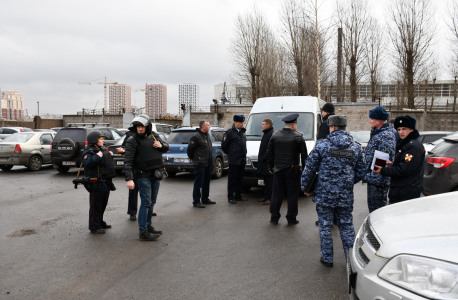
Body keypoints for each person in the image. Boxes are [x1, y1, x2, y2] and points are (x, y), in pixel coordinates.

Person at [301, 115, 365, 267]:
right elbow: (362, 172)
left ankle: (327, 258)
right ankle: (351, 262)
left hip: (324, 195)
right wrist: (348, 182)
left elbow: (309, 168)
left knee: (324, 225)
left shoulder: (322, 145)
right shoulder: (355, 147)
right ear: (344, 127)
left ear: (332, 127)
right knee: (346, 225)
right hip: (345, 196)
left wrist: (306, 188)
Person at [124, 114, 168, 241]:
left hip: (156, 174)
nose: (140, 129)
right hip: (142, 176)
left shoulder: (154, 135)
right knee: (146, 203)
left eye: (142, 126)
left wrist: (161, 146)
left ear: (147, 126)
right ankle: (142, 231)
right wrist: (130, 179)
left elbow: (165, 146)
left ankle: (148, 226)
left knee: (152, 202)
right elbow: (128, 161)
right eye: (138, 127)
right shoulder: (132, 140)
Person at [266, 114, 307, 225]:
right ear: (294, 125)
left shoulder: (275, 136)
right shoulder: (298, 137)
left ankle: (274, 217)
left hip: (278, 169)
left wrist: (271, 167)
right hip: (293, 170)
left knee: (276, 194)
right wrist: (305, 172)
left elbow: (269, 154)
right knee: (292, 194)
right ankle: (291, 218)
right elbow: (304, 157)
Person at [374, 115, 425, 204]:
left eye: (404, 129)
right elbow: (406, 165)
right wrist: (393, 165)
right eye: (399, 129)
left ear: (411, 129)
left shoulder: (412, 147)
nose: (401, 132)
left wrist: (383, 170)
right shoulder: (406, 143)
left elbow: (404, 170)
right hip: (401, 189)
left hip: (406, 191)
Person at [82, 130, 116, 234]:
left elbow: (104, 163)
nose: (102, 141)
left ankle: (99, 222)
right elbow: (88, 163)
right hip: (96, 182)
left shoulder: (101, 149)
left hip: (105, 181)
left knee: (103, 203)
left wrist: (109, 155)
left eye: (102, 139)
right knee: (95, 205)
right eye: (100, 139)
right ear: (94, 141)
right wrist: (99, 156)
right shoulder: (88, 151)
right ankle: (94, 225)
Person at [363, 106, 396, 213]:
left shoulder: (385, 136)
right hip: (374, 181)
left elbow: (382, 160)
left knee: (378, 213)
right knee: (374, 211)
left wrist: (372, 178)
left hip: (378, 183)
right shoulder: (379, 134)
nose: (369, 121)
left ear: (378, 121)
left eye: (371, 119)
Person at [187, 120, 216, 208]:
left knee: (206, 182)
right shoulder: (196, 136)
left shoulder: (207, 135)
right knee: (198, 183)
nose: (209, 126)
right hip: (199, 163)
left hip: (207, 163)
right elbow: (190, 149)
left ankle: (205, 199)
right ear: (203, 127)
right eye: (208, 125)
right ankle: (196, 201)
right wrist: (193, 158)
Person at [222, 114, 248, 204]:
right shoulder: (229, 133)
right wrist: (231, 154)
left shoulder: (243, 132)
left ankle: (238, 195)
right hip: (234, 160)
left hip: (242, 160)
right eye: (240, 122)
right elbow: (224, 146)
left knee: (240, 179)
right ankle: (230, 196)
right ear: (235, 122)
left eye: (243, 122)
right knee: (232, 179)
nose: (242, 124)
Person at [117, 124, 139, 221]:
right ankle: (132, 212)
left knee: (147, 191)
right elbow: (124, 148)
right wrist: (122, 151)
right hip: (134, 167)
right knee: (133, 191)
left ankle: (147, 209)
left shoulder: (149, 134)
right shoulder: (130, 135)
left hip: (145, 167)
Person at [256, 118, 274, 205]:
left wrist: (264, 157)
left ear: (268, 125)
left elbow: (271, 150)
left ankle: (270, 198)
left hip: (267, 162)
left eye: (263, 124)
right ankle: (266, 196)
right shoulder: (266, 133)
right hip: (264, 162)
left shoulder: (271, 134)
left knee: (269, 182)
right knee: (266, 182)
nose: (261, 125)